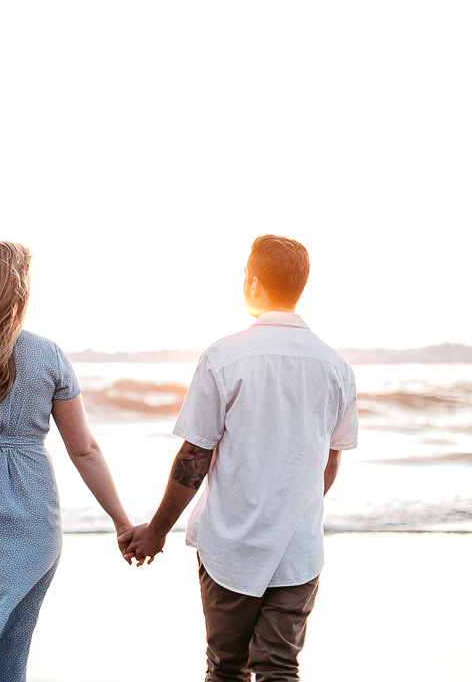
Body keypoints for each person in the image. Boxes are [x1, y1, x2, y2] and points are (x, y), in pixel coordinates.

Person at [120, 234, 358, 682]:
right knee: (280, 669)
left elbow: (195, 455)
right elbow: (329, 463)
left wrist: (155, 531)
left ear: (251, 282)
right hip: (299, 551)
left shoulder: (223, 357)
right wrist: (292, 510)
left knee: (226, 670)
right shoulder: (336, 366)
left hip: (232, 548)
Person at [0, 240, 133, 682]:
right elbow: (84, 449)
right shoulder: (48, 355)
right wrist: (122, 522)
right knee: (12, 644)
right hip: (32, 511)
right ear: (20, 290)